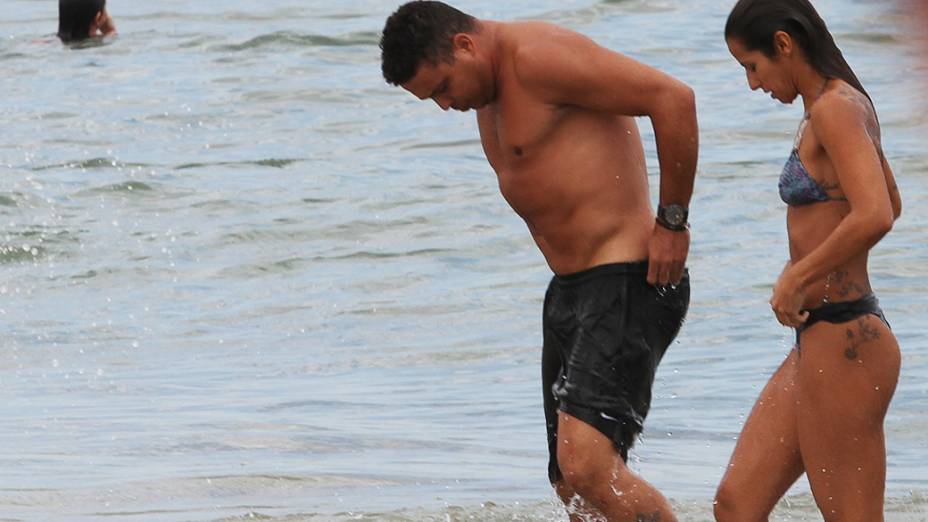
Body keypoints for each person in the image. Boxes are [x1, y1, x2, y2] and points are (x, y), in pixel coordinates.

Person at [380, 2, 698, 520]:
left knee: (589, 468)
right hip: (572, 289)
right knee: (573, 488)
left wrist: (672, 223)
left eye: (441, 87)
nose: (444, 105)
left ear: (464, 45)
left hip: (625, 277)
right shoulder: (488, 92)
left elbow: (673, 98)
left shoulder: (539, 57)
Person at [715, 1, 902, 521]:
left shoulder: (836, 108)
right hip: (819, 339)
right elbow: (893, 199)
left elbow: (878, 213)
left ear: (783, 44)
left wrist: (798, 275)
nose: (752, 84)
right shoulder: (834, 104)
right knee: (736, 506)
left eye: (752, 66)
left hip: (847, 341)